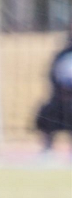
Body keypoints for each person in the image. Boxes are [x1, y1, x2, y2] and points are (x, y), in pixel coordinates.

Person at [35, 28, 72, 158]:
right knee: (48, 112)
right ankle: (47, 149)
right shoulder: (62, 55)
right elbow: (53, 76)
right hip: (61, 99)